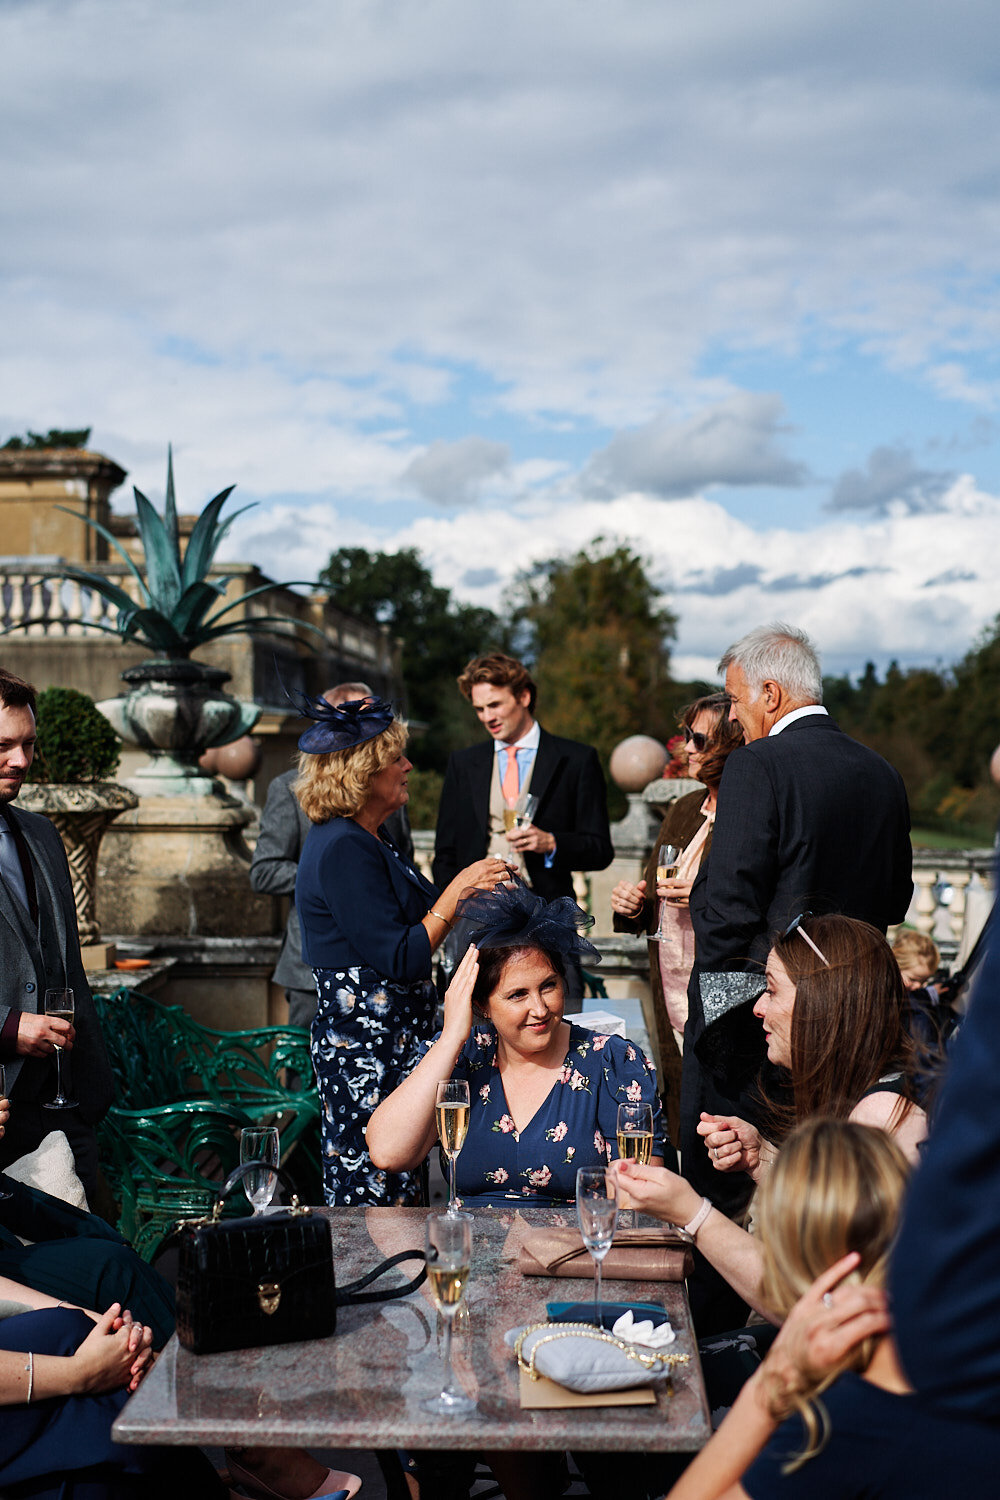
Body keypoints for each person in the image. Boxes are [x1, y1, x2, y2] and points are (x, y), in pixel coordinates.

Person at [684, 624, 913, 1208]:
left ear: (770, 693)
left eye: (734, 699)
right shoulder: (883, 772)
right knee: (828, 1190)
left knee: (722, 1193)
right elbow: (895, 902)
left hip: (758, 1024)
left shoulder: (756, 765)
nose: (732, 716)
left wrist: (716, 1032)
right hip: (853, 1017)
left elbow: (728, 914)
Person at [614, 915, 926, 1323]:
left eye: (772, 990)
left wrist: (691, 1213)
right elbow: (830, 1223)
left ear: (824, 1003)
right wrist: (762, 1158)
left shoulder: (884, 1118)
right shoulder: (864, 1092)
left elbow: (816, 1305)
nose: (758, 1007)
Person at [292, 690, 509, 1205]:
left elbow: (422, 913)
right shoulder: (343, 846)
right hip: (366, 1054)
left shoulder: (371, 836)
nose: (408, 766)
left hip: (393, 1043)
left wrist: (482, 895)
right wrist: (458, 890)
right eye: (396, 758)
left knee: (404, 1190)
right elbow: (403, 956)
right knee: (377, 1195)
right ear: (363, 773)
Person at [366, 879, 668, 1206]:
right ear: (481, 1005)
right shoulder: (463, 1056)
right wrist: (451, 1037)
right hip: (470, 1236)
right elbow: (388, 1153)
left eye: (548, 986)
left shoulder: (612, 1062)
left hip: (578, 1236)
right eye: (517, 995)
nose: (539, 1009)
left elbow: (641, 1197)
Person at [432, 653, 614, 1005]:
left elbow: (600, 849)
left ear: (524, 697)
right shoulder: (464, 763)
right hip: (476, 919)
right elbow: (446, 852)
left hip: (548, 912)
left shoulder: (576, 759)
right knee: (474, 1015)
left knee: (561, 1010)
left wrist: (551, 843)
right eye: (479, 709)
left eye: (495, 705)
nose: (487, 717)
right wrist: (459, 904)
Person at [0, 667, 114, 1202]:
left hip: (69, 1107)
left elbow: (65, 964)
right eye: (3, 746)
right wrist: (7, 1027)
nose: (21, 761)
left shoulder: (42, 833)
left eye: (27, 744)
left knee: (99, 1243)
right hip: (3, 1111)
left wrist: (91, 1094)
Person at [251, 681, 413, 1033]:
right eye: (363, 721)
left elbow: (404, 866)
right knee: (306, 1066)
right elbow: (263, 871)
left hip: (386, 969)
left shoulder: (390, 791)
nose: (375, 727)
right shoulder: (288, 788)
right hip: (313, 974)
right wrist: (337, 881)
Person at [611, 693, 743, 1112]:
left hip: (718, 991)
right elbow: (654, 890)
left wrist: (700, 895)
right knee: (678, 1101)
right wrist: (632, 906)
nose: (688, 748)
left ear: (733, 744)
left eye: (699, 739)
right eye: (687, 735)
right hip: (669, 983)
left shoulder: (748, 814)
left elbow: (751, 904)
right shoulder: (685, 808)